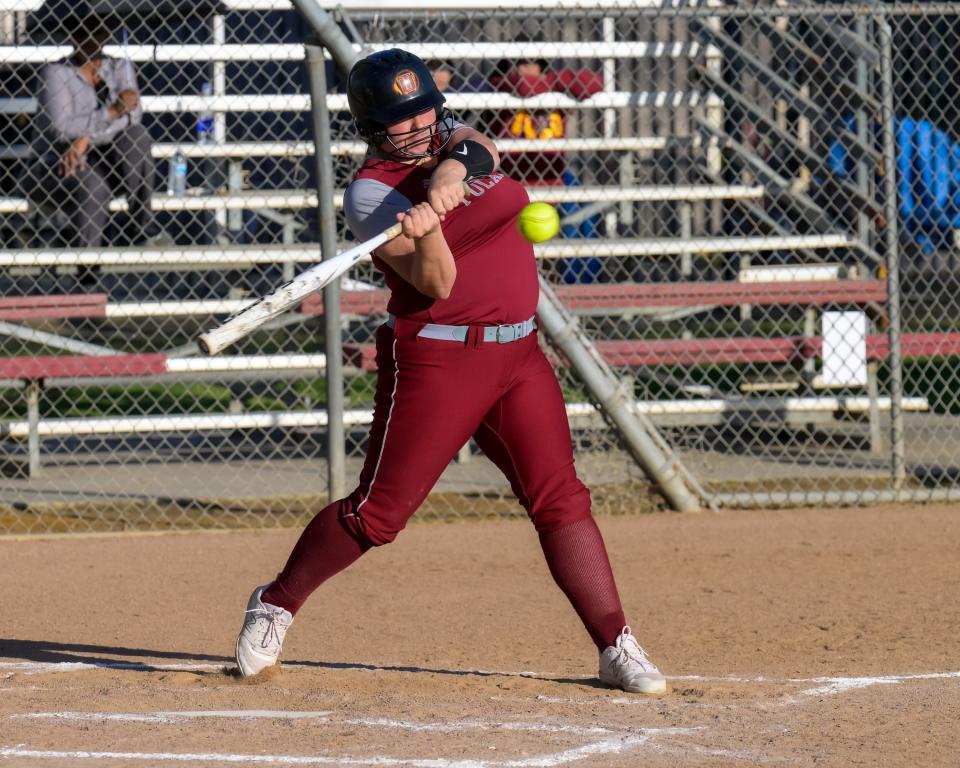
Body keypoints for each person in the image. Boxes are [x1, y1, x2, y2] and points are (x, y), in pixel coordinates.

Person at [234, 49, 667, 696]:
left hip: (519, 355)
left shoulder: (453, 139)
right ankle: (275, 602)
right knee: (377, 516)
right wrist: (426, 230)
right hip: (439, 360)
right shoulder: (371, 194)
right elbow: (435, 282)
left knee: (559, 497)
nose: (416, 127)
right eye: (398, 120)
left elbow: (477, 151)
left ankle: (615, 643)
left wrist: (444, 184)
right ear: (372, 127)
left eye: (422, 112)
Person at [28, 12, 169, 263]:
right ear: (71, 35)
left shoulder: (120, 67)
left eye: (96, 31)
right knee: (93, 184)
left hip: (107, 159)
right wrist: (112, 111)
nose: (89, 38)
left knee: (137, 136)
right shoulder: (57, 73)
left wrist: (87, 138)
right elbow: (61, 128)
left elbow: (133, 117)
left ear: (105, 34)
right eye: (81, 31)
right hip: (59, 163)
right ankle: (87, 274)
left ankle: (142, 226)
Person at [489, 55, 604, 283]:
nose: (526, 69)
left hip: (549, 184)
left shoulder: (556, 93)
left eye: (533, 64)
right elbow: (520, 86)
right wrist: (551, 84)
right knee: (512, 255)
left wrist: (548, 83)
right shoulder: (503, 87)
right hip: (512, 186)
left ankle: (553, 301)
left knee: (548, 253)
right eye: (520, 64)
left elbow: (593, 83)